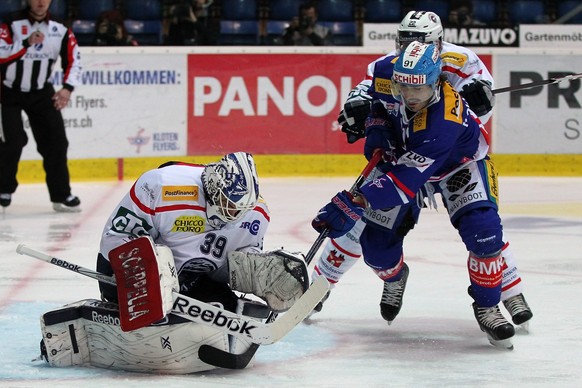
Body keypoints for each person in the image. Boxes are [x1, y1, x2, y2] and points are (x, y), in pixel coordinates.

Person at [310, 10, 532, 330]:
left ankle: (506, 288)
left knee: (482, 227)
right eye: (405, 41)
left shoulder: (463, 61)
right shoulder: (388, 66)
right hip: (404, 157)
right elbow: (368, 97)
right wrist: (360, 110)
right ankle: (319, 286)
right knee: (364, 230)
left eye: (419, 41)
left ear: (438, 42)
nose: (410, 47)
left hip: (452, 160)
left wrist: (480, 97)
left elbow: (474, 113)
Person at [38, 152, 310, 373]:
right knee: (148, 315)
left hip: (193, 282)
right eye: (228, 204)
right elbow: (115, 237)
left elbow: (234, 264)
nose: (233, 214)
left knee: (223, 309)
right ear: (213, 186)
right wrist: (148, 275)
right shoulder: (161, 185)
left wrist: (258, 273)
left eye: (240, 208)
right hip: (131, 276)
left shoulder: (257, 214)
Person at [0, 0, 82, 212]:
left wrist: (67, 88)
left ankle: (61, 195)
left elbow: (74, 60)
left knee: (56, 142)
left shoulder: (60, 28)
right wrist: (26, 43)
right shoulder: (10, 22)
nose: (40, 2)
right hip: (8, 91)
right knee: (13, 141)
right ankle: (3, 189)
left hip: (41, 91)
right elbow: (1, 55)